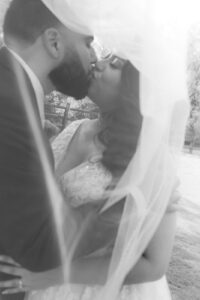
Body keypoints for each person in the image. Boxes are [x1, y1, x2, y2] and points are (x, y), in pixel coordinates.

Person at [0, 57, 180, 300]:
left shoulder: (151, 160)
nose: (98, 63)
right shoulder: (75, 127)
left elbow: (153, 265)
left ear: (133, 88)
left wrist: (51, 277)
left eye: (114, 64)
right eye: (104, 58)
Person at [0, 0, 96, 299]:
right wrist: (131, 207)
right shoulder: (12, 110)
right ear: (54, 43)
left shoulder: (15, 95)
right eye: (87, 43)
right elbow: (40, 247)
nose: (95, 57)